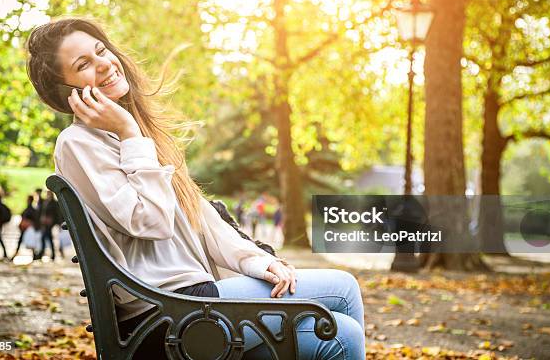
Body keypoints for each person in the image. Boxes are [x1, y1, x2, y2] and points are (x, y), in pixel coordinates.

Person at [26, 18, 365, 359]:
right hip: (167, 316)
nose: (103, 63)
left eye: (101, 50)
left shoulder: (136, 136)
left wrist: (258, 261)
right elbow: (152, 221)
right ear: (66, 92)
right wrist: (130, 134)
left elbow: (200, 218)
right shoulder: (79, 144)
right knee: (344, 290)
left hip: (192, 305)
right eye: (83, 64)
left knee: (341, 336)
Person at [12, 194, 38, 259]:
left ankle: (34, 255)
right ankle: (33, 255)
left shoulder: (30, 209)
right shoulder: (30, 209)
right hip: (25, 228)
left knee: (27, 241)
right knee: (21, 240)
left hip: (28, 228)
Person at [40, 190, 63, 260]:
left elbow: (57, 213)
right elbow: (43, 212)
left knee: (45, 237)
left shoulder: (54, 203)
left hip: (51, 222)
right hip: (45, 222)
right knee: (48, 238)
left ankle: (44, 253)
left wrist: (59, 223)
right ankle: (52, 254)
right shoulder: (45, 202)